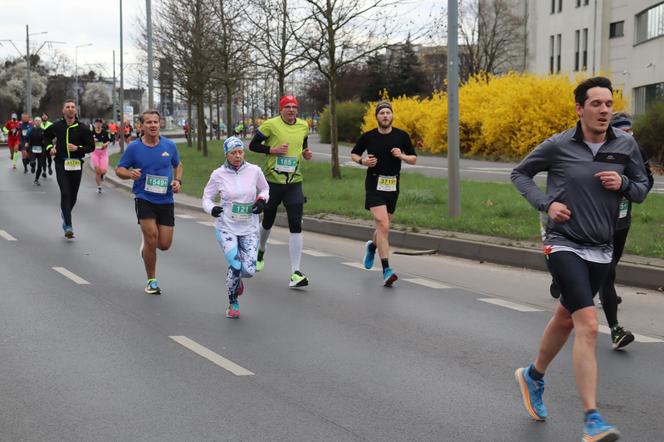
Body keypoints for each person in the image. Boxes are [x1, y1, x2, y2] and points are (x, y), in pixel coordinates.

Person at [511, 77, 650, 442]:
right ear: (579, 109)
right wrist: (546, 203)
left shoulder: (626, 145)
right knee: (587, 324)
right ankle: (592, 419)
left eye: (608, 103)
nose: (604, 110)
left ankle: (532, 376)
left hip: (602, 247)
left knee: (565, 317)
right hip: (563, 242)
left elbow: (643, 188)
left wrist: (623, 186)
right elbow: (520, 173)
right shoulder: (559, 145)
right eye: (596, 104)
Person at [115, 110, 183, 295]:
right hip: (144, 197)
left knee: (164, 244)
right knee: (151, 237)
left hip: (166, 199)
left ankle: (146, 248)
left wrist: (178, 181)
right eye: (148, 122)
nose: (153, 125)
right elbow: (119, 169)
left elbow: (178, 165)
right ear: (141, 126)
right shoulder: (134, 148)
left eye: (156, 122)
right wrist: (130, 174)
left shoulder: (169, 145)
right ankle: (151, 281)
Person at [350, 101, 417, 286]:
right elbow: (354, 154)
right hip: (374, 183)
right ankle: (387, 270)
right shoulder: (369, 136)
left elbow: (414, 159)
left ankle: (372, 246)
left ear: (392, 116)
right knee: (383, 224)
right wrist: (363, 161)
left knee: (383, 228)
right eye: (382, 113)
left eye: (388, 113)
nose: (385, 116)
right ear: (377, 117)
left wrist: (401, 156)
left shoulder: (401, 136)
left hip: (393, 184)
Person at [249, 95, 313, 288]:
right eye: (288, 107)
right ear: (281, 109)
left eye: (294, 107)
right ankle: (260, 250)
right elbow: (253, 146)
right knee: (268, 220)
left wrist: (306, 154)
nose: (292, 110)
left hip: (294, 181)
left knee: (296, 223)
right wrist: (272, 150)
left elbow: (303, 146)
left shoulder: (303, 126)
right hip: (272, 181)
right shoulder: (270, 125)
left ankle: (295, 272)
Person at [202, 136, 269, 318]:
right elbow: (206, 198)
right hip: (226, 227)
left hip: (249, 227)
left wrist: (262, 200)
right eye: (233, 153)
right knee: (235, 264)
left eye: (240, 152)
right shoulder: (218, 174)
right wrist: (212, 209)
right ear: (227, 154)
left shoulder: (254, 171)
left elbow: (265, 189)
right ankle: (233, 303)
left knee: (249, 270)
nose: (238, 156)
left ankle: (238, 280)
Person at [42, 100, 95, 239]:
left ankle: (65, 213)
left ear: (76, 111)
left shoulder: (83, 128)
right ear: (63, 111)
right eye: (68, 107)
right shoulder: (57, 126)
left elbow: (91, 147)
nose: (70, 109)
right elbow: (46, 137)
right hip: (61, 163)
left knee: (73, 196)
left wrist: (78, 148)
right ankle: (68, 225)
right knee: (65, 193)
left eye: (73, 107)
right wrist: (50, 148)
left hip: (76, 163)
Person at [91, 118, 111, 194]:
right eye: (97, 123)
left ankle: (102, 175)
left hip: (103, 154)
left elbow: (109, 140)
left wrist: (106, 144)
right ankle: (99, 186)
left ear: (102, 124)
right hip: (95, 153)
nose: (98, 124)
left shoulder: (105, 132)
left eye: (100, 123)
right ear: (95, 124)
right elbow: (88, 141)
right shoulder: (91, 132)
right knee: (97, 171)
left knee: (103, 171)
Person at [26, 117, 46, 186]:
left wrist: (45, 142)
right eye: (36, 121)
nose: (37, 122)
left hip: (41, 150)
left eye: (39, 121)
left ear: (41, 122)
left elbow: (46, 140)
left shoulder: (43, 130)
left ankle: (36, 179)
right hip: (32, 148)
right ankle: (32, 166)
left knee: (40, 166)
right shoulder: (30, 130)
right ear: (34, 122)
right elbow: (26, 137)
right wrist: (26, 142)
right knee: (32, 162)